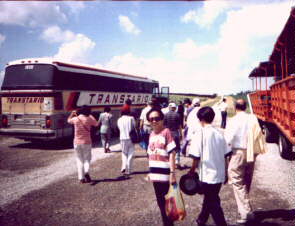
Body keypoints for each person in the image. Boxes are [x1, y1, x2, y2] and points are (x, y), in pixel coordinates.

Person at [224, 99, 265, 224]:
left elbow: (228, 139)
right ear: (245, 107)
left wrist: (224, 154)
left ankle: (246, 213)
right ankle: (244, 208)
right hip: (251, 152)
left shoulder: (233, 120)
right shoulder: (252, 118)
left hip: (238, 153)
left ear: (236, 107)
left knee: (237, 181)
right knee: (246, 181)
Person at [188, 106, 231, 226]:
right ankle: (201, 220)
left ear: (200, 119)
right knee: (210, 198)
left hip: (207, 175)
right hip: (219, 174)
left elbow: (196, 157)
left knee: (213, 202)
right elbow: (226, 155)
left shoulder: (199, 134)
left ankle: (221, 223)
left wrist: (191, 171)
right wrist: (226, 173)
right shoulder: (219, 134)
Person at [146, 107, 176, 226]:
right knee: (160, 203)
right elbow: (150, 154)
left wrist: (172, 174)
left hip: (165, 176)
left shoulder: (166, 132)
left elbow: (172, 154)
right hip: (155, 176)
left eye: (157, 118)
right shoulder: (151, 134)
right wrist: (150, 171)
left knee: (168, 203)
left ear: (162, 119)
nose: (154, 121)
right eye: (151, 119)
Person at [67, 105, 99, 183]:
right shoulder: (89, 118)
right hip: (87, 142)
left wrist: (72, 114)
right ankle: (86, 171)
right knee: (87, 159)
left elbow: (68, 120)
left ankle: (81, 178)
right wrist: (90, 115)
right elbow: (97, 124)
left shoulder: (76, 119)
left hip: (76, 142)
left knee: (79, 159)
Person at [164, 102, 183, 169]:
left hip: (168, 133)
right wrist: (181, 134)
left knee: (169, 148)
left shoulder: (165, 115)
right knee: (177, 148)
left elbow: (164, 126)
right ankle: (177, 162)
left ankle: (170, 162)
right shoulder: (178, 115)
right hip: (175, 133)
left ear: (169, 107)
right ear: (174, 108)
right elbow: (180, 126)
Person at [117, 109, 136, 176]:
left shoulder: (119, 120)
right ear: (128, 112)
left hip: (122, 138)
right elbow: (134, 127)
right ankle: (128, 169)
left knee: (124, 153)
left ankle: (124, 167)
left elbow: (119, 128)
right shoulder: (131, 118)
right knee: (130, 153)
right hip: (131, 138)